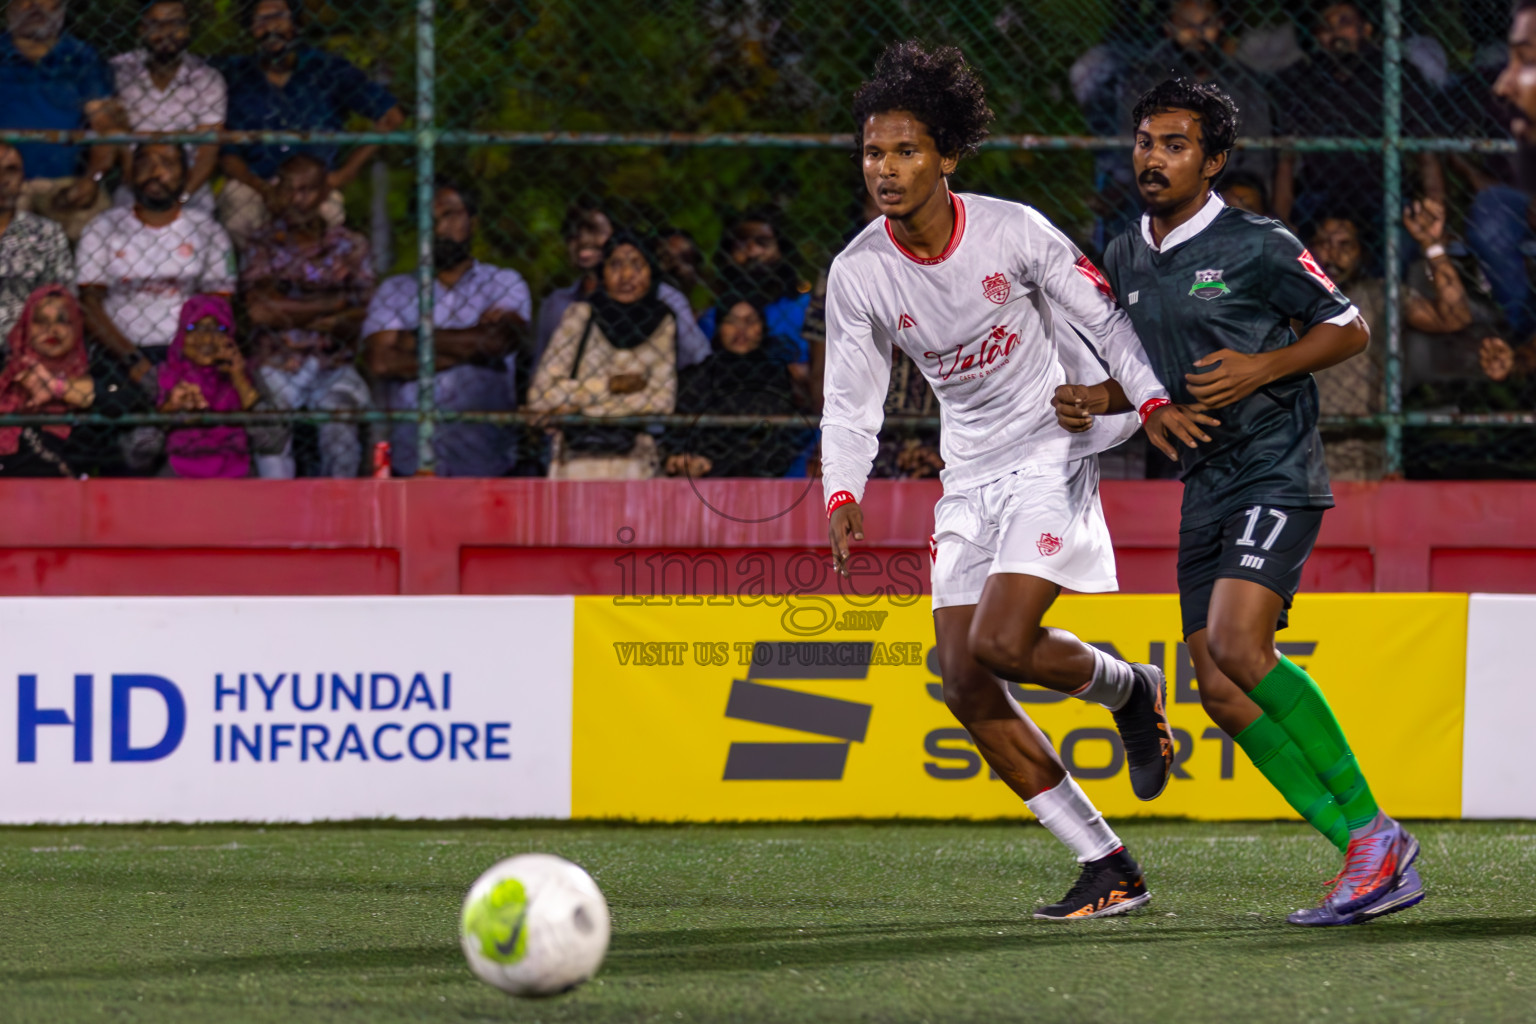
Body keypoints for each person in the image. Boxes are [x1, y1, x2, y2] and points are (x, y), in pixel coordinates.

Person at [822, 41, 1175, 921]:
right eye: (873, 153)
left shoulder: (1013, 231)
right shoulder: (860, 270)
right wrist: (841, 491)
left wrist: (1145, 401)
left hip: (1056, 447)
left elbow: (1109, 318)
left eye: (906, 151)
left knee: (1005, 643)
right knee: (966, 681)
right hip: (970, 470)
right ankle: (1109, 862)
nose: (887, 169)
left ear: (946, 156)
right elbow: (849, 399)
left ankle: (1131, 690)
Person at [1065, 77, 1422, 926]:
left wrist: (1264, 366)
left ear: (1214, 160)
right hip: (1205, 483)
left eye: (1176, 144)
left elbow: (1349, 328)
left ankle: (1374, 832)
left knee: (1237, 642)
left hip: (1275, 471)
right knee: (1221, 691)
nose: (1154, 157)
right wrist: (1108, 401)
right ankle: (1369, 855)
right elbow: (1147, 369)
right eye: (1147, 141)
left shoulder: (1258, 242)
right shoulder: (1122, 255)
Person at [362, 179, 530, 477]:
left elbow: (498, 342)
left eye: (450, 214)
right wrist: (472, 347)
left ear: (473, 221)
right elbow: (381, 362)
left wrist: (413, 339)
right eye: (429, 218)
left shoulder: (504, 282)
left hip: (486, 461)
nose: (439, 227)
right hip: (412, 464)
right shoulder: (394, 289)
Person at [216, 0, 402, 249]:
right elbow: (226, 150)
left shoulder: (327, 69)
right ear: (250, 29)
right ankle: (256, 279)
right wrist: (262, 188)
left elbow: (391, 116)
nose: (271, 26)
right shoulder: (234, 75)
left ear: (295, 23)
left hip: (317, 185)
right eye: (261, 20)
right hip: (256, 181)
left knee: (328, 214)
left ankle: (314, 282)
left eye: (279, 17)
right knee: (238, 209)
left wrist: (346, 173)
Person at [242, 153, 374, 478]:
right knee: (270, 432)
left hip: (333, 365)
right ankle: (277, 517)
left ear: (325, 192)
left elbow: (363, 314)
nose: (298, 200)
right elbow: (259, 311)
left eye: (309, 190)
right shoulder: (261, 243)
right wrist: (334, 304)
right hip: (276, 365)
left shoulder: (350, 245)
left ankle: (340, 516)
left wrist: (287, 307)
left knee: (340, 430)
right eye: (289, 189)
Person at [1272, 2, 1446, 233]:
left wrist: (1435, 211)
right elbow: (1287, 157)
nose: (1335, 34)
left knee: (1402, 242)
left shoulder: (1396, 74)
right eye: (1325, 28)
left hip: (1385, 195)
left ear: (1366, 29)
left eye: (1344, 23)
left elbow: (1426, 152)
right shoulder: (1303, 80)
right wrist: (1280, 221)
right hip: (1320, 196)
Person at [77, 142, 236, 387]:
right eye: (145, 163)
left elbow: (218, 305)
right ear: (130, 174)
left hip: (189, 350)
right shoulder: (102, 227)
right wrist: (133, 360)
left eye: (168, 164)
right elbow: (89, 304)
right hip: (119, 351)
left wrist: (190, 355)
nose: (155, 172)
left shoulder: (208, 231)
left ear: (185, 175)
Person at [528, 230, 677, 480]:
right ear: (602, 273)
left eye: (637, 265)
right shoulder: (580, 316)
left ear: (652, 272)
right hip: (575, 463)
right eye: (616, 265)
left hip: (633, 463)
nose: (626, 276)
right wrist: (612, 386)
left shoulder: (662, 322)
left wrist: (575, 404)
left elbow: (662, 402)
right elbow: (541, 396)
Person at [534, 200, 707, 369]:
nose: (583, 240)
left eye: (594, 230)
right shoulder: (557, 303)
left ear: (615, 233)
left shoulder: (663, 295)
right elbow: (541, 369)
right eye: (573, 235)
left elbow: (697, 357)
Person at [0, 0, 116, 240]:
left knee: (101, 227)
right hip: (3, 179)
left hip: (63, 183)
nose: (35, 6)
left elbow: (104, 125)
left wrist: (92, 179)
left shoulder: (81, 57)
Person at [108, 0, 226, 216]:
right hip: (134, 183)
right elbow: (116, 138)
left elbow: (208, 152)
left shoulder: (207, 79)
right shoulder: (119, 72)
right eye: (155, 23)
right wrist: (136, 187)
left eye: (175, 23)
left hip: (190, 186)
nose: (166, 32)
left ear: (188, 28)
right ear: (141, 28)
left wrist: (180, 198)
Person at [665, 293, 800, 479]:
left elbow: (781, 443)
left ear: (763, 328)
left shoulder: (776, 377)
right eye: (732, 321)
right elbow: (680, 436)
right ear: (719, 327)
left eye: (750, 321)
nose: (741, 330)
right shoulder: (699, 376)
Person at [157, 294, 261, 478]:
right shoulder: (163, 375)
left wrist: (239, 380)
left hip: (236, 472)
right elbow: (137, 452)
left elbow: (275, 441)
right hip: (177, 472)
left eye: (217, 329)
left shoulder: (246, 375)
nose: (205, 339)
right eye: (193, 328)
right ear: (181, 334)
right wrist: (170, 410)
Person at [0, 283, 95, 475]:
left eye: (63, 321)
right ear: (26, 324)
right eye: (41, 321)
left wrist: (54, 386)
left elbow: (96, 395)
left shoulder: (95, 367)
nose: (52, 330)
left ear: (76, 325)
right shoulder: (8, 370)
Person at [0, 143, 72, 348]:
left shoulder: (46, 234)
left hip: (28, 352)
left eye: (11, 170)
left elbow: (63, 303)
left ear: (23, 178)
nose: (2, 179)